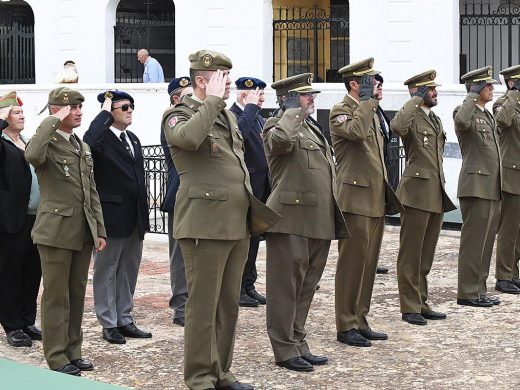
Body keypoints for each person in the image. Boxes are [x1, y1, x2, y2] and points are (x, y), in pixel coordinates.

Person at [164, 49, 280, 390]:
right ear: (203, 81)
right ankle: (200, 377)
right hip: (204, 223)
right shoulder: (177, 114)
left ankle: (221, 372)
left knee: (228, 305)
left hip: (234, 222)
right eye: (223, 78)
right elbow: (188, 139)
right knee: (202, 306)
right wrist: (212, 101)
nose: (229, 84)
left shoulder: (227, 118)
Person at [263, 73, 349, 371]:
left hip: (318, 218)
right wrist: (291, 111)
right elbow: (281, 142)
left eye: (311, 94)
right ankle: (284, 348)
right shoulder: (277, 125)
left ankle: (298, 340)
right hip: (290, 219)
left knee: (307, 286)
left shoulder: (310, 128)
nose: (312, 98)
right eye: (304, 94)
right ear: (287, 99)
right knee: (286, 287)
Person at [25, 87, 106, 376]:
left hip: (81, 231)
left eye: (80, 107)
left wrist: (99, 229)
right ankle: (56, 356)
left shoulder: (80, 146)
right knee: (56, 296)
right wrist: (50, 121)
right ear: (57, 110)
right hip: (55, 231)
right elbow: (32, 155)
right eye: (72, 107)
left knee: (75, 293)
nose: (79, 112)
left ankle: (74, 350)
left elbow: (91, 192)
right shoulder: (46, 143)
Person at [329, 58, 402, 347]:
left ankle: (360, 318)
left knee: (369, 264)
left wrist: (371, 103)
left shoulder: (369, 111)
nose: (378, 87)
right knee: (351, 263)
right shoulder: (341, 112)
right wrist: (369, 102)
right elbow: (356, 134)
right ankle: (345, 324)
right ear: (354, 84)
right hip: (354, 198)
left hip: (374, 197)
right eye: (372, 82)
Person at [83, 90, 152, 344]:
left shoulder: (132, 138)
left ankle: (125, 318)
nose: (130, 110)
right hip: (111, 217)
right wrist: (103, 111)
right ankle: (108, 322)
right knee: (106, 270)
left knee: (128, 270)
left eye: (132, 106)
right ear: (110, 112)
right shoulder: (101, 139)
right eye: (124, 107)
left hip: (134, 217)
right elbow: (89, 140)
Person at [390, 70, 457, 325]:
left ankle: (422, 301)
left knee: (426, 253)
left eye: (434, 88)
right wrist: (414, 100)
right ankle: (409, 306)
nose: (435, 92)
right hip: (415, 194)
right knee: (411, 253)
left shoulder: (435, 119)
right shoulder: (411, 116)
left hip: (435, 192)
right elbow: (397, 127)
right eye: (429, 89)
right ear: (417, 92)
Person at [454, 66, 502, 307]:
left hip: (492, 186)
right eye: (488, 85)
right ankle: (467, 292)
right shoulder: (465, 111)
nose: (492, 88)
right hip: (475, 185)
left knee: (486, 241)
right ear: (476, 88)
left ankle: (479, 289)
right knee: (473, 241)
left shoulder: (487, 114)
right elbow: (461, 122)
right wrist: (471, 96)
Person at [0, 91, 42, 348]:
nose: (22, 115)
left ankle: (27, 320)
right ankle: (12, 325)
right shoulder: (2, 143)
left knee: (32, 272)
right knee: (10, 274)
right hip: (11, 220)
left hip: (35, 219)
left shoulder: (26, 141)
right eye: (16, 112)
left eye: (23, 112)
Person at [229, 77, 271, 308]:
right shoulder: (234, 116)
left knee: (254, 239)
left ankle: (248, 285)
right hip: (246, 186)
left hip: (261, 185)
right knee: (244, 240)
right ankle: (237, 288)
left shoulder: (257, 118)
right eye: (259, 95)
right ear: (245, 95)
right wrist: (251, 110)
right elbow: (239, 137)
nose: (262, 99)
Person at [160, 77, 192, 327]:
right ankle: (181, 306)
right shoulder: (172, 119)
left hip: (199, 198)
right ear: (175, 99)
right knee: (180, 255)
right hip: (181, 195)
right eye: (188, 95)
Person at [493, 65, 520, 294]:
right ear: (512, 83)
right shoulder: (502, 103)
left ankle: (513, 272)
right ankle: (503, 276)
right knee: (509, 228)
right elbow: (502, 121)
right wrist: (512, 94)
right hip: (512, 174)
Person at [374, 73, 393, 275]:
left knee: (380, 219)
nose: (379, 89)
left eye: (381, 86)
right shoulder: (367, 111)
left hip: (383, 169)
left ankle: (374, 257)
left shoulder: (379, 112)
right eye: (377, 86)